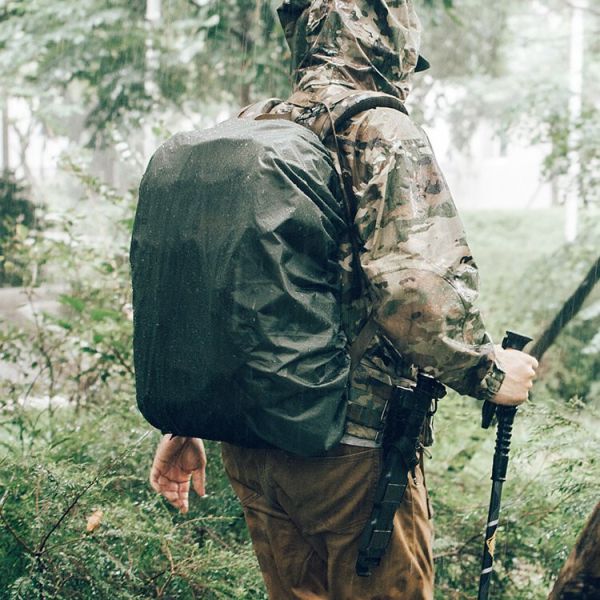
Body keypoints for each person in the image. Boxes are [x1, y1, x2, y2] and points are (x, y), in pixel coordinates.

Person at [148, 1, 539, 598]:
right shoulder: (381, 129)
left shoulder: (254, 125)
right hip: (350, 458)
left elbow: (211, 284)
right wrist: (489, 370)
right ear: (390, 44)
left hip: (252, 443)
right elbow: (415, 292)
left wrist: (186, 421)